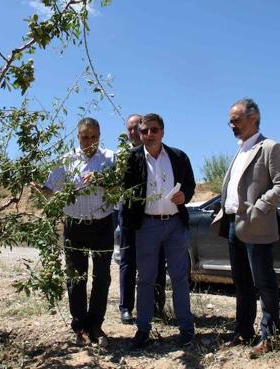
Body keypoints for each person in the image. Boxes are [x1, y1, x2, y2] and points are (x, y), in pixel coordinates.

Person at [210, 98, 280, 358]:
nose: (232, 125)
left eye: (236, 120)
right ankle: (243, 330)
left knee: (264, 282)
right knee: (242, 282)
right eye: (230, 121)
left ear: (254, 117)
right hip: (234, 224)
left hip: (256, 224)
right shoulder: (239, 150)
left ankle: (270, 335)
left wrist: (259, 207)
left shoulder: (270, 147)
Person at [122, 113, 196, 349]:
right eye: (144, 131)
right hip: (147, 225)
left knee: (179, 277)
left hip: (175, 224)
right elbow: (125, 192)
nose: (149, 135)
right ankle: (143, 328)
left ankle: (186, 327)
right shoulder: (132, 159)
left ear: (162, 132)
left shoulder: (178, 156)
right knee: (145, 278)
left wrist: (186, 196)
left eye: (154, 130)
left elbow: (191, 186)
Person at [44, 117, 115, 347]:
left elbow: (120, 188)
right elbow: (49, 190)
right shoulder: (66, 160)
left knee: (102, 276)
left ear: (99, 136)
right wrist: (34, 185)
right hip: (74, 225)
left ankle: (96, 324)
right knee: (76, 277)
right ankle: (80, 326)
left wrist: (102, 178)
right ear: (78, 136)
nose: (89, 141)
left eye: (93, 137)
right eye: (85, 136)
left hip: (103, 224)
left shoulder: (110, 159)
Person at [118, 113, 167, 324]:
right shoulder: (123, 157)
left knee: (156, 262)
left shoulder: (160, 154)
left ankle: (156, 307)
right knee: (128, 262)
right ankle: (126, 307)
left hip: (154, 218)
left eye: (136, 126)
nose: (133, 131)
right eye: (129, 128)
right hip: (129, 216)